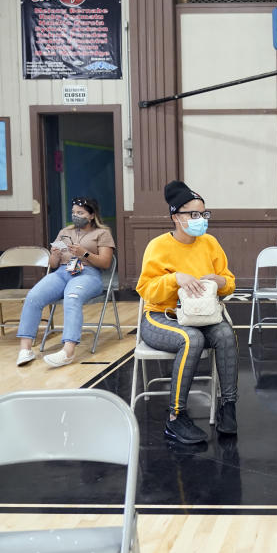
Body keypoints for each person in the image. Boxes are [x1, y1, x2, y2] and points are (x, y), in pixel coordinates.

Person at [136, 181, 238, 445]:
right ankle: (175, 417)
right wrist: (175, 279)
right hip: (160, 317)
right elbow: (146, 290)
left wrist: (220, 281)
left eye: (203, 214)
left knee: (226, 334)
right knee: (192, 338)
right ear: (175, 217)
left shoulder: (210, 243)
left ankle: (228, 406)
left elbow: (229, 283)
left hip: (202, 315)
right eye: (193, 214)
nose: (200, 219)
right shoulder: (158, 246)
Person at [15, 197, 116, 367]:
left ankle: (67, 351)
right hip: (62, 272)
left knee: (72, 297)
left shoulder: (102, 233)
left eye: (80, 213)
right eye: (73, 213)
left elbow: (105, 263)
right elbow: (53, 264)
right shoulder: (65, 232)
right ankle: (25, 349)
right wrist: (54, 254)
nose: (76, 216)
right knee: (33, 296)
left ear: (91, 215)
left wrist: (84, 253)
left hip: (88, 274)